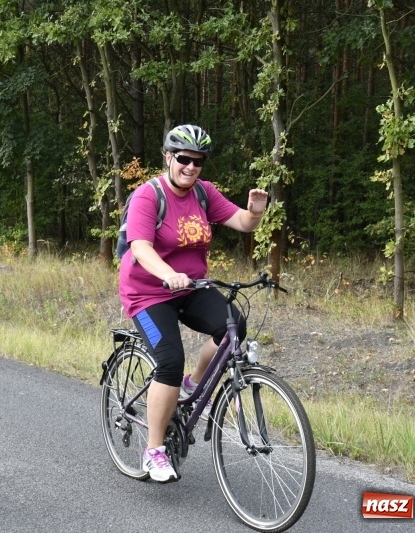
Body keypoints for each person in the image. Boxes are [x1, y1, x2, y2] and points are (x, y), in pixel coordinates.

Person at [118, 124, 268, 483]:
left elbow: (242, 223)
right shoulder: (147, 196)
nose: (191, 166)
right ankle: (154, 450)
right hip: (148, 293)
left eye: (198, 161)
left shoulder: (204, 193)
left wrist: (255, 211)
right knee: (169, 360)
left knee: (234, 325)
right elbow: (140, 247)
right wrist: (167, 273)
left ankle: (193, 384)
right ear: (169, 157)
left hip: (191, 287)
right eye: (184, 158)